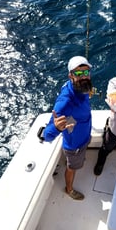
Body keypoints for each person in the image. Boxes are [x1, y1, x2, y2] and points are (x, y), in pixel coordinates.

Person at [43, 56, 93, 200]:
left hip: (84, 136)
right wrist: (57, 128)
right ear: (70, 75)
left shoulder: (80, 87)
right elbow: (47, 135)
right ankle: (69, 189)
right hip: (75, 146)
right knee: (72, 168)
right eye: (78, 74)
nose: (83, 76)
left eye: (86, 72)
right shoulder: (65, 102)